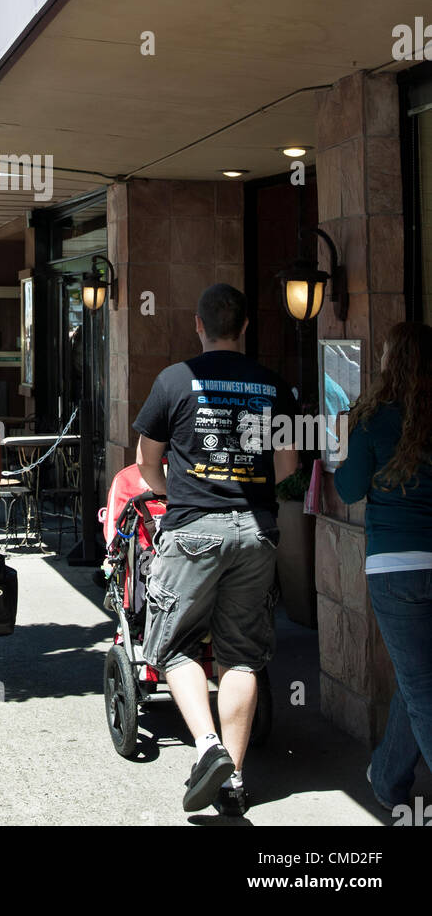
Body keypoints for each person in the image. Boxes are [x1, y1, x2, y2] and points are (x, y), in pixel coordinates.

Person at [134, 283, 297, 815]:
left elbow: (146, 461)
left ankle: (207, 748)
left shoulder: (173, 380)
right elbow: (288, 468)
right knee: (241, 656)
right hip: (256, 531)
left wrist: (171, 494)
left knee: (173, 646)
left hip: (193, 529)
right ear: (245, 328)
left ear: (198, 326)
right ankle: (235, 780)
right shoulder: (273, 385)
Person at [334, 321, 432, 812]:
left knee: (420, 686)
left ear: (391, 364)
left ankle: (388, 778)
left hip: (395, 568)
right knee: (419, 680)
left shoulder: (372, 420)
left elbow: (348, 490)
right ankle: (388, 776)